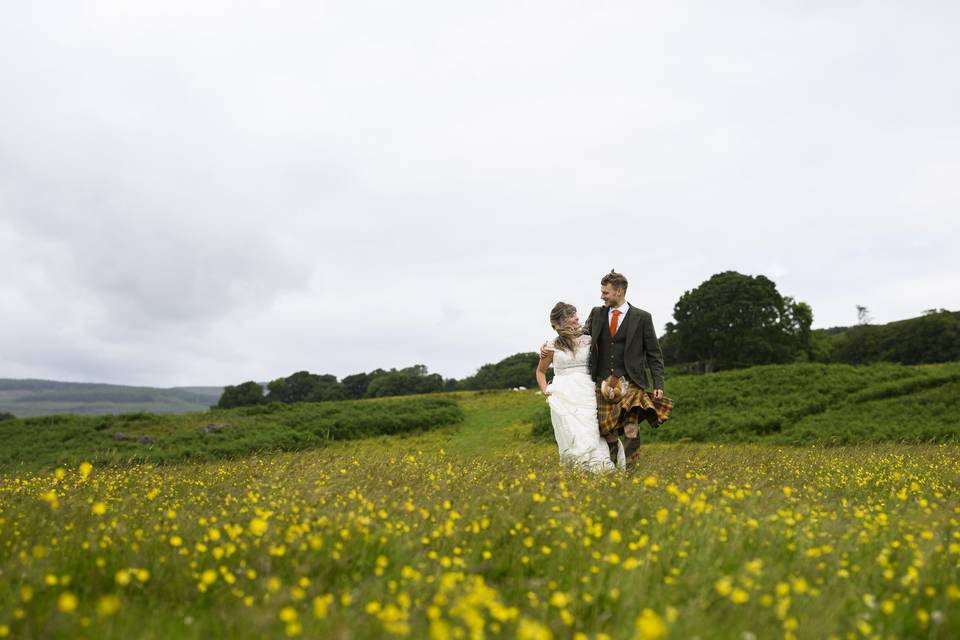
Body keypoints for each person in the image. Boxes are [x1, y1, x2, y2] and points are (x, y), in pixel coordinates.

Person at [541, 270, 672, 469]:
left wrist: (658, 383)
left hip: (631, 382)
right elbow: (577, 336)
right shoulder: (597, 313)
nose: (602, 296)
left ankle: (631, 473)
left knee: (630, 428)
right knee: (604, 431)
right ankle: (611, 469)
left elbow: (654, 354)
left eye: (606, 292)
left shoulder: (642, 317)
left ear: (619, 291)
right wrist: (550, 344)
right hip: (601, 383)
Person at [536, 302, 624, 472]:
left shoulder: (589, 340)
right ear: (561, 322)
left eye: (576, 314)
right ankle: (578, 471)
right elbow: (540, 372)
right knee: (570, 433)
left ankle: (601, 468)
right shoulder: (551, 346)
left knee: (591, 430)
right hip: (562, 396)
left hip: (586, 392)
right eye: (571, 315)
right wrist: (546, 391)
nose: (576, 318)